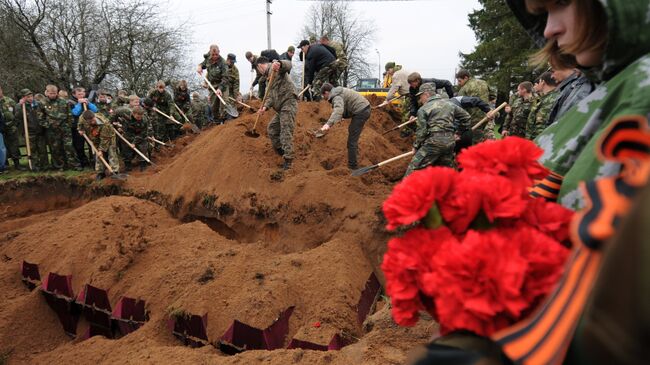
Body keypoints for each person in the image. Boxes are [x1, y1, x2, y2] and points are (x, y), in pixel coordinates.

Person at [404, 83, 471, 176]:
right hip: (449, 142)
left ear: (426, 94)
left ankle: (405, 189)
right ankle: (455, 189)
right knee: (446, 171)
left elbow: (422, 131)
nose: (420, 99)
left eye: (421, 96)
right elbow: (466, 117)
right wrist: (459, 133)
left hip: (434, 143)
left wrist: (416, 146)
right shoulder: (449, 104)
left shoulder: (423, 109)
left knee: (414, 168)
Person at [256, 57, 297, 170]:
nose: (259, 72)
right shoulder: (268, 78)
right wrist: (264, 107)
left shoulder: (275, 68)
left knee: (285, 130)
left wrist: (279, 64)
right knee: (272, 129)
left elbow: (288, 64)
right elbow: (269, 97)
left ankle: (289, 160)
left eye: (258, 69)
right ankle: (282, 151)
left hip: (288, 103)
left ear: (260, 66)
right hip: (280, 108)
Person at [318, 83, 371, 170]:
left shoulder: (336, 96)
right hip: (363, 109)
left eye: (323, 95)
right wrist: (340, 117)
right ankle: (354, 160)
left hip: (361, 111)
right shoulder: (337, 92)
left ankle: (353, 167)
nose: (324, 98)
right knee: (352, 135)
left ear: (326, 92)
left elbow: (339, 109)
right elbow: (344, 106)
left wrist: (328, 124)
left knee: (351, 141)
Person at [43, 84, 80, 170]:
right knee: (56, 148)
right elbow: (40, 116)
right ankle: (60, 166)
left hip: (65, 128)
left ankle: (74, 165)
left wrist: (69, 125)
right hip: (52, 129)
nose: (53, 95)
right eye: (51, 93)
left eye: (54, 93)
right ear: (47, 93)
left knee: (69, 147)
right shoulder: (43, 103)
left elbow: (69, 114)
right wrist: (47, 125)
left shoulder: (63, 102)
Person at [77, 110, 119, 179]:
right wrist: (80, 129)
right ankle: (101, 172)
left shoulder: (104, 124)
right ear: (86, 120)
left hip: (109, 137)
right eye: (90, 122)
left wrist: (101, 150)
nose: (92, 122)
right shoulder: (82, 117)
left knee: (111, 153)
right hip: (94, 137)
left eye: (93, 120)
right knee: (98, 156)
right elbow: (80, 124)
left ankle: (114, 171)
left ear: (94, 117)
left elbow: (104, 139)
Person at [456, 69, 492, 144]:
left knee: (475, 142)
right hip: (487, 116)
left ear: (466, 78)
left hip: (473, 119)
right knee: (488, 139)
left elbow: (459, 107)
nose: (459, 83)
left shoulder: (463, 89)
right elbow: (493, 96)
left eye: (460, 81)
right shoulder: (483, 82)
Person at [15, 89, 47, 171]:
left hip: (40, 130)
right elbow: (18, 117)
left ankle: (44, 165)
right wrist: (21, 106)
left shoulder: (38, 104)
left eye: (31, 96)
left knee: (42, 149)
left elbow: (45, 112)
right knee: (32, 150)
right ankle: (34, 166)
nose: (30, 98)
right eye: (28, 97)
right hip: (29, 131)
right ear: (23, 97)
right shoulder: (19, 106)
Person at [198, 44, 230, 124]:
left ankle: (225, 121)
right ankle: (217, 122)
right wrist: (200, 66)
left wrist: (220, 88)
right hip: (212, 85)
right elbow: (203, 65)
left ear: (219, 52)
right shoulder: (208, 59)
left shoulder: (223, 63)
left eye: (216, 54)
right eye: (213, 55)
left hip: (223, 85)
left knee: (224, 103)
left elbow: (225, 77)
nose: (215, 56)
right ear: (210, 53)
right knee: (214, 107)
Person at [525, 71, 558, 140]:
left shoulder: (551, 99)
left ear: (543, 82)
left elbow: (542, 125)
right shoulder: (546, 98)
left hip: (541, 142)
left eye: (539, 82)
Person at [70, 87, 98, 168]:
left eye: (82, 93)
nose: (81, 95)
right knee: (79, 146)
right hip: (78, 127)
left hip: (89, 127)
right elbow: (75, 113)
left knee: (92, 144)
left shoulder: (88, 101)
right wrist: (79, 104)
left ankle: (94, 162)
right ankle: (83, 162)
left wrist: (88, 103)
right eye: (79, 94)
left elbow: (95, 110)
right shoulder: (71, 102)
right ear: (74, 95)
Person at [121, 106, 151, 172]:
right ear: (133, 114)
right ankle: (127, 165)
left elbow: (143, 134)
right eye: (138, 117)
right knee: (126, 148)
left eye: (141, 117)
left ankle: (143, 164)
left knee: (143, 147)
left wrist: (134, 142)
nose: (139, 119)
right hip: (129, 134)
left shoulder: (144, 120)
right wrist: (131, 142)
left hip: (140, 135)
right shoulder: (126, 118)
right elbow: (126, 132)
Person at [383, 62, 412, 129]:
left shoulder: (396, 75)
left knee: (406, 115)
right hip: (410, 94)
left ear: (391, 69)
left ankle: (407, 131)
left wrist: (387, 99)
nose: (388, 73)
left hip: (410, 96)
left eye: (388, 71)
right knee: (407, 113)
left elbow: (394, 88)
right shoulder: (401, 71)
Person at [0, 85, 22, 170]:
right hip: (1, 129)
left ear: (2, 90)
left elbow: (17, 114)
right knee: (3, 147)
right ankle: (5, 164)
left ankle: (17, 164)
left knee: (14, 146)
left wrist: (15, 125)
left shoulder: (9, 101)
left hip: (11, 127)